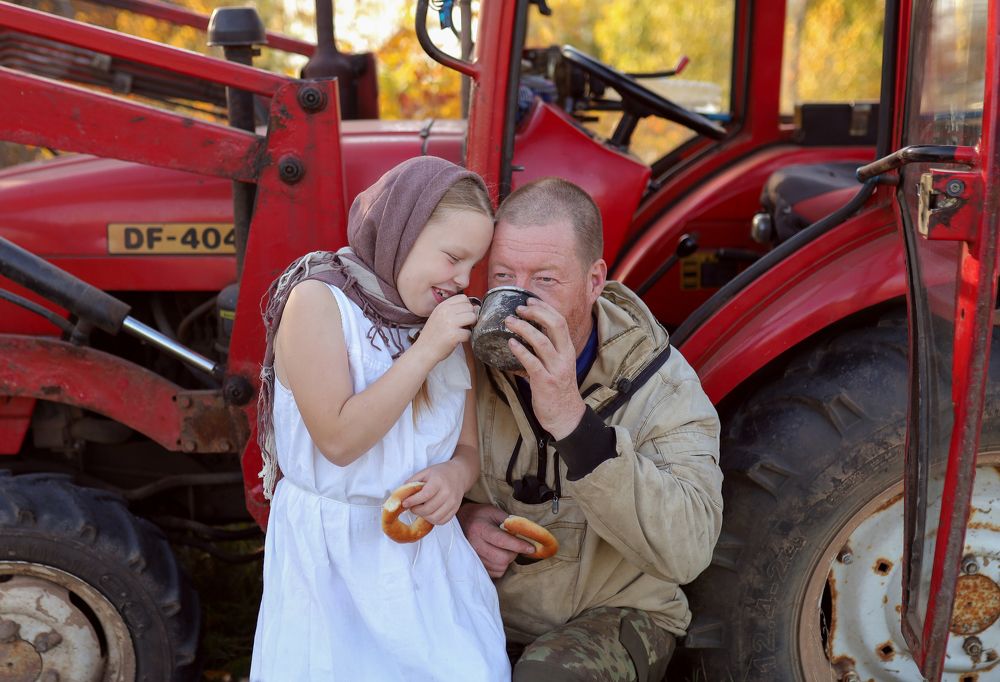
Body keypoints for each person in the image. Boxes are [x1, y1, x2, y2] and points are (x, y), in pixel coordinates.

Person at [250, 156, 510, 681]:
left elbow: (467, 449)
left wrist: (453, 476)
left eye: (473, 265)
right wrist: (426, 351)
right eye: (453, 257)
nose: (462, 280)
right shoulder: (319, 302)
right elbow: (339, 441)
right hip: (334, 556)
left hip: (426, 558)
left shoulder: (440, 324)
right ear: (401, 232)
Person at [458, 177, 724, 682]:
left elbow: (688, 550)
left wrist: (573, 422)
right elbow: (385, 483)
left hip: (617, 612)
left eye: (545, 280)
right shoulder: (458, 358)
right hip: (479, 604)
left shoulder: (661, 383)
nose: (519, 300)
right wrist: (459, 520)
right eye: (503, 276)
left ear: (594, 280)